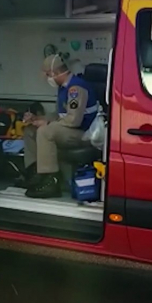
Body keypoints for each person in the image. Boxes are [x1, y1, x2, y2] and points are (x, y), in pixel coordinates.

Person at [21, 53, 98, 198]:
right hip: (68, 130)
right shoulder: (63, 88)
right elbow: (59, 115)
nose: (48, 79)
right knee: (31, 130)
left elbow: (74, 120)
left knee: (45, 131)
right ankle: (34, 173)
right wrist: (37, 118)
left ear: (55, 73)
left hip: (82, 133)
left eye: (49, 75)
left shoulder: (76, 88)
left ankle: (51, 181)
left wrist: (48, 123)